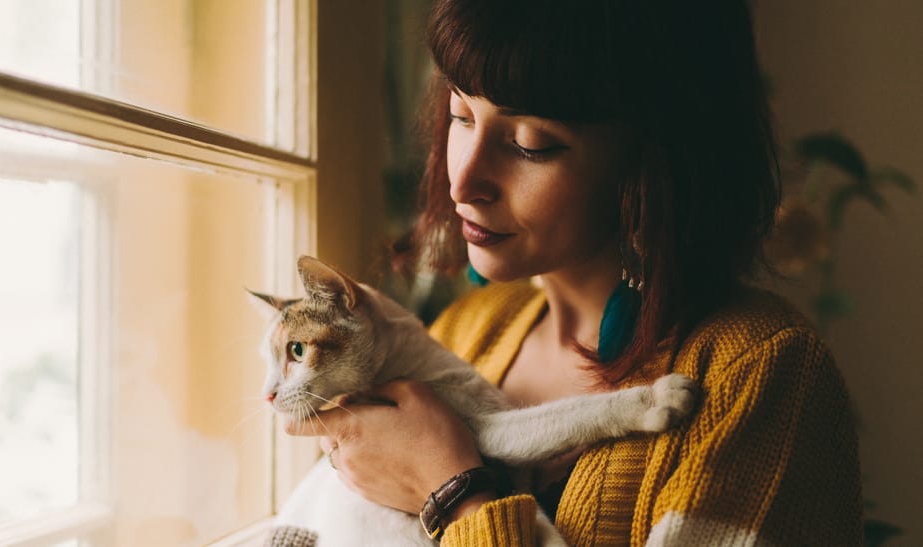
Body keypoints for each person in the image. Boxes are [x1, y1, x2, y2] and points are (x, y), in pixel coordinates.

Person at [288, 0, 864, 544]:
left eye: (530, 144)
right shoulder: (470, 329)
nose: (463, 180)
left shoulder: (762, 376)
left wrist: (456, 494)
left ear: (655, 162)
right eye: (461, 113)